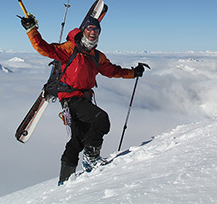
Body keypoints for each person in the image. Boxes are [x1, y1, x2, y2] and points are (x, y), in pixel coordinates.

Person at [20, 11, 146, 185]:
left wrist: (133, 73)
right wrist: (31, 30)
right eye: (90, 29)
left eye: (97, 30)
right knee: (101, 120)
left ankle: (64, 180)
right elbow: (45, 48)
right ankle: (91, 158)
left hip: (84, 99)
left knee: (77, 140)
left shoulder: (96, 56)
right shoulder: (70, 49)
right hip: (70, 99)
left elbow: (112, 71)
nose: (93, 32)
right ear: (84, 30)